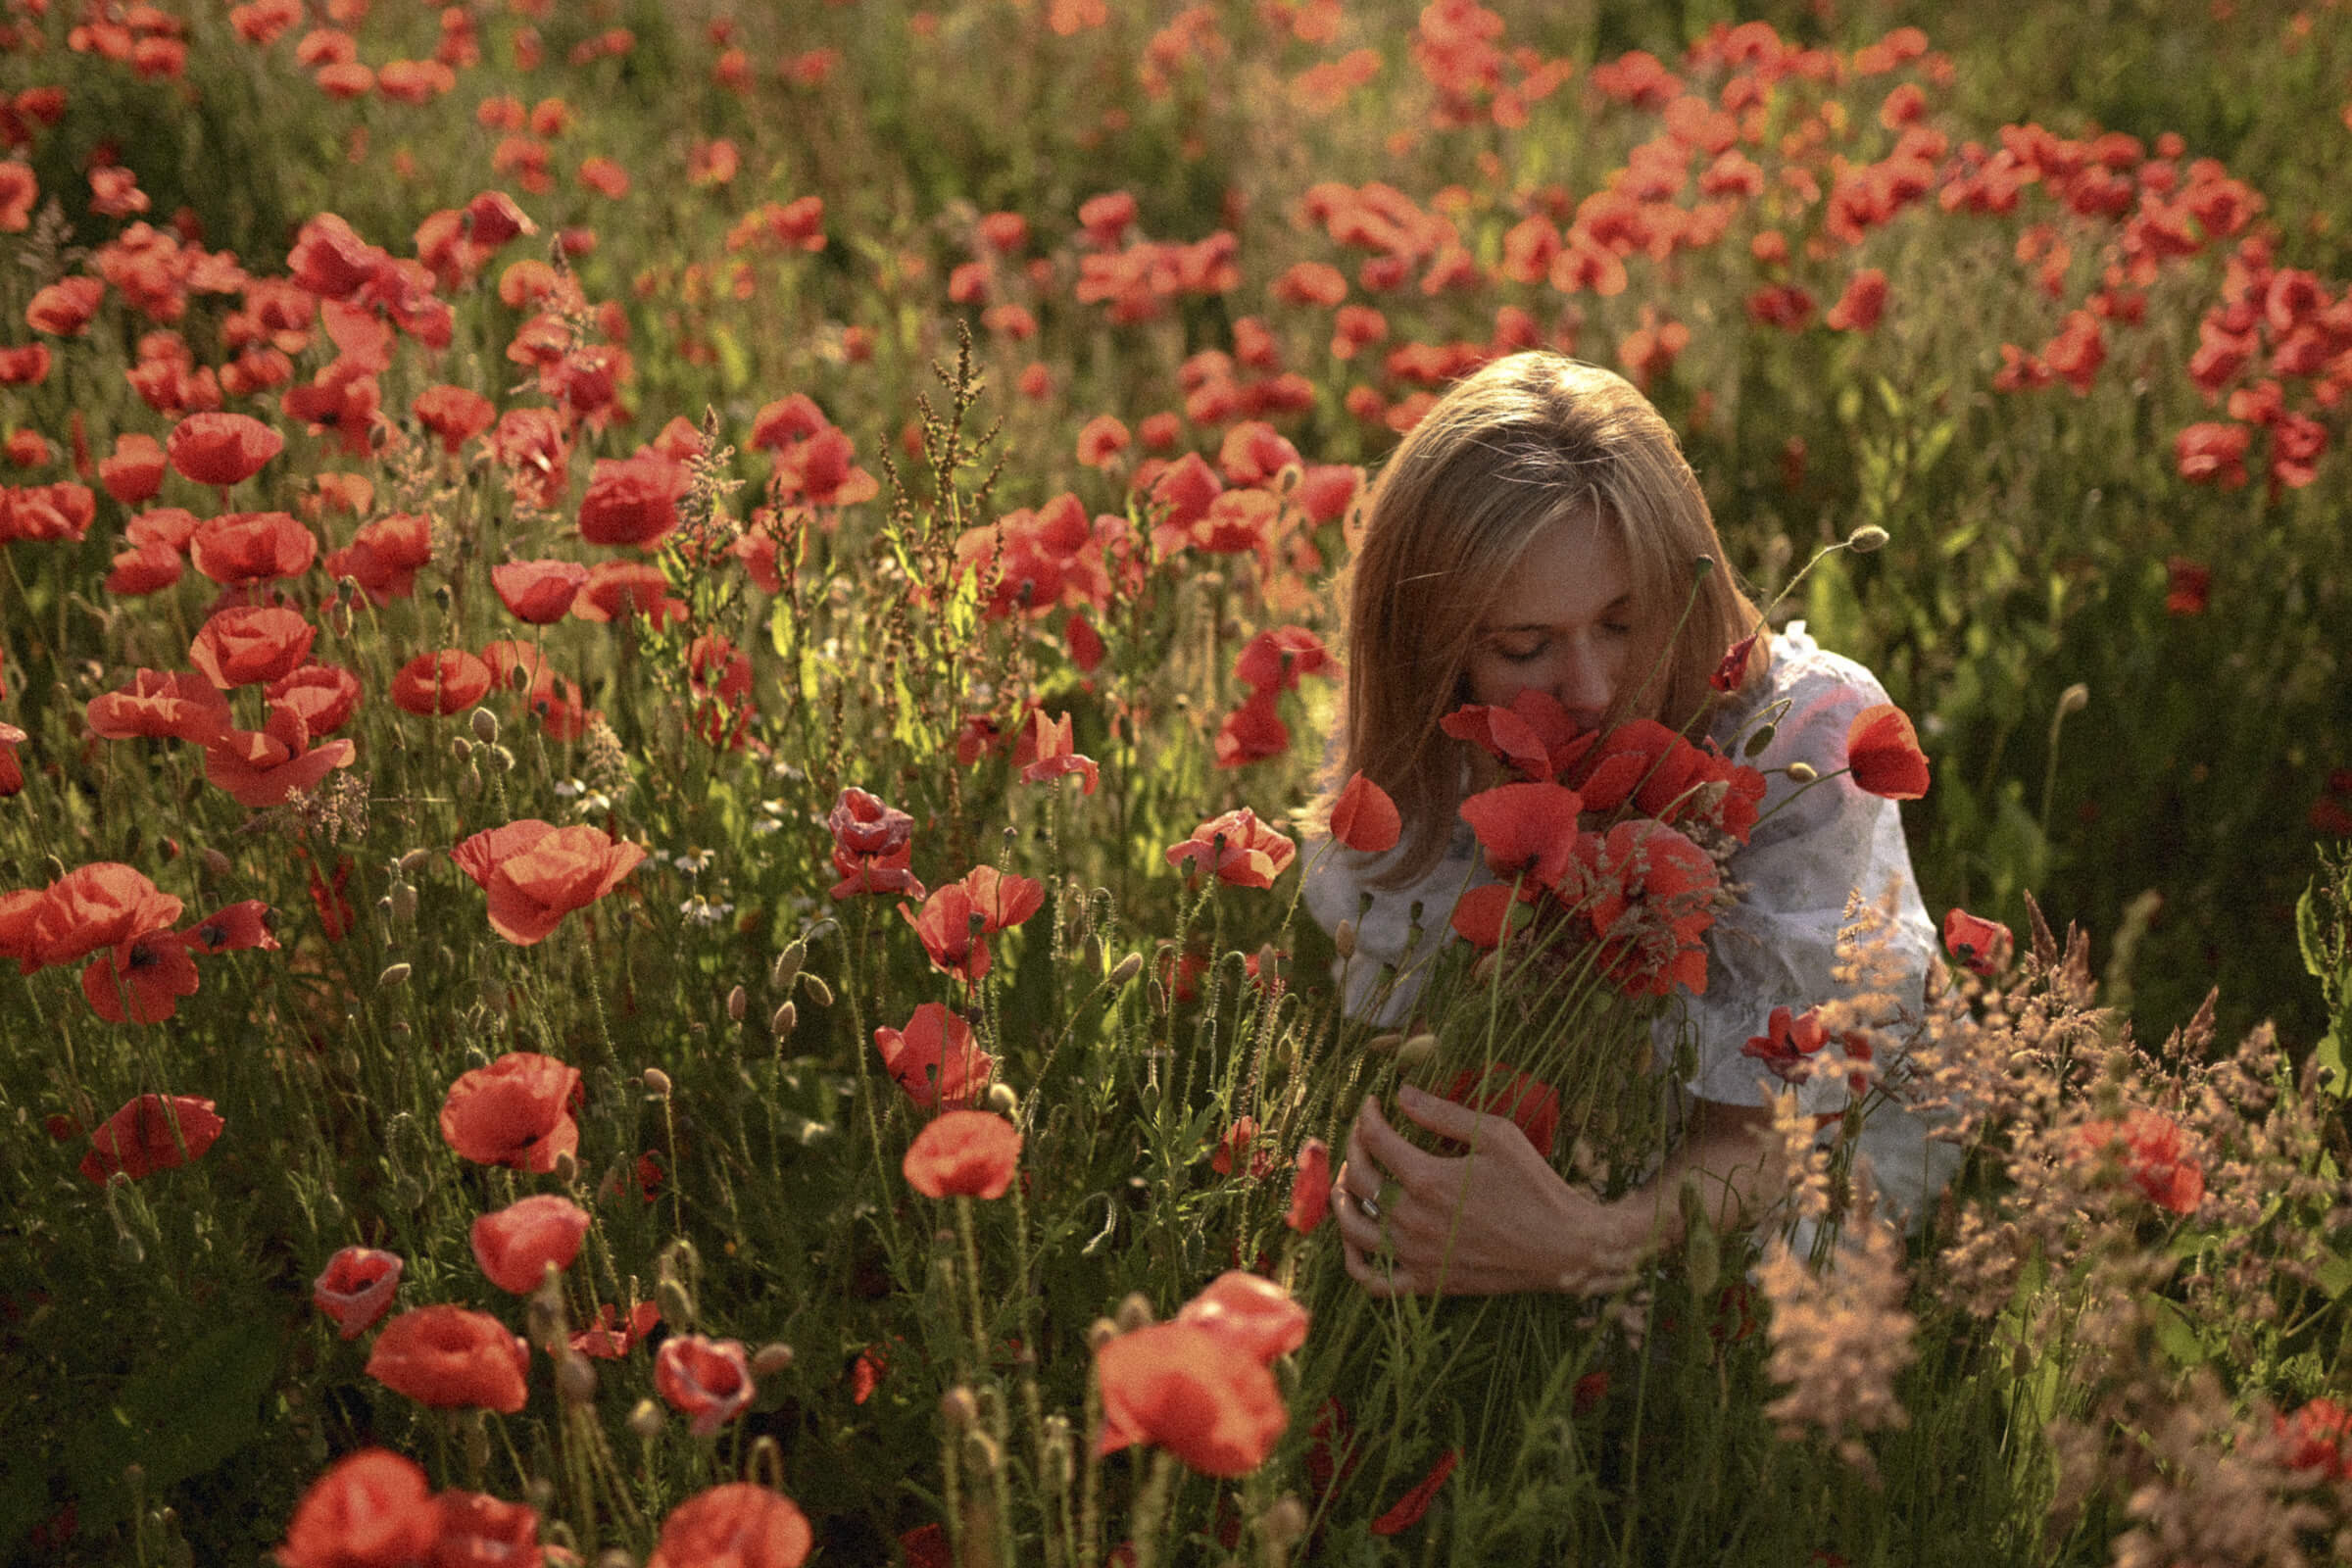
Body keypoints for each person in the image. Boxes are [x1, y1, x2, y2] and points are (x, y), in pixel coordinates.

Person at [1303, 351, 1959, 1299]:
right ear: (1435, 653)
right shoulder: (1424, 768)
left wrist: (1589, 1241)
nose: (1592, 686)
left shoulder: (1795, 742)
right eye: (1524, 645)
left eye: (1623, 622)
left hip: (1804, 1170)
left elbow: (1777, 1131)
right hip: (1565, 1170)